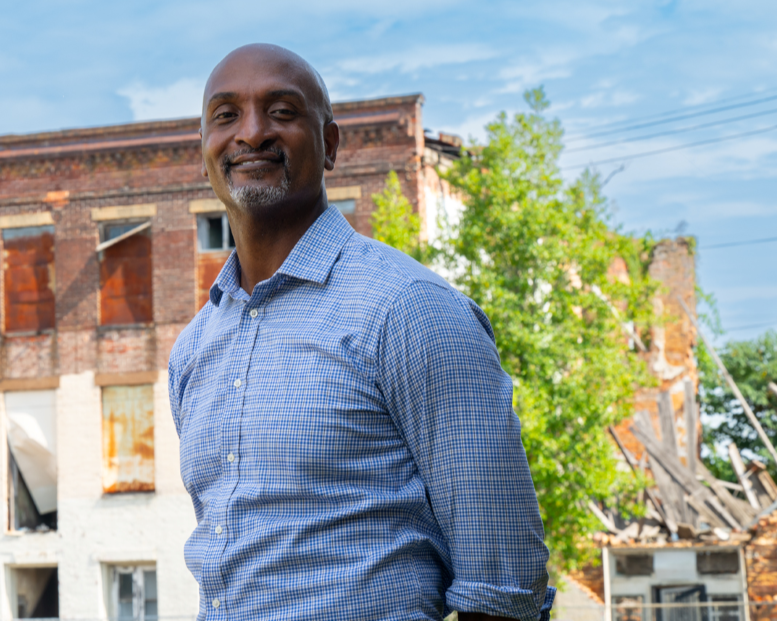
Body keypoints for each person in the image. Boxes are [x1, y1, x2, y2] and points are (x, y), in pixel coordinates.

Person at [167, 44, 554, 621]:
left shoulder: (410, 310)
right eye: (226, 115)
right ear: (204, 151)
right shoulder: (195, 349)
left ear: (330, 144)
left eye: (281, 111)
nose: (250, 133)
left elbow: (505, 590)